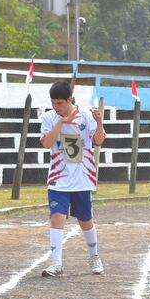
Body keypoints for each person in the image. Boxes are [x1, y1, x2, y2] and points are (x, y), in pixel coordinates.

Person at [39, 81, 106, 277]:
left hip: (83, 178)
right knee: (57, 217)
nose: (56, 107)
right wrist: (61, 123)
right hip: (58, 179)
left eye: (60, 103)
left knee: (85, 220)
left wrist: (100, 122)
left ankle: (94, 257)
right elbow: (46, 144)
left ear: (70, 100)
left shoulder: (86, 115)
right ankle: (56, 264)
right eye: (53, 103)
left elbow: (99, 140)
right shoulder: (48, 118)